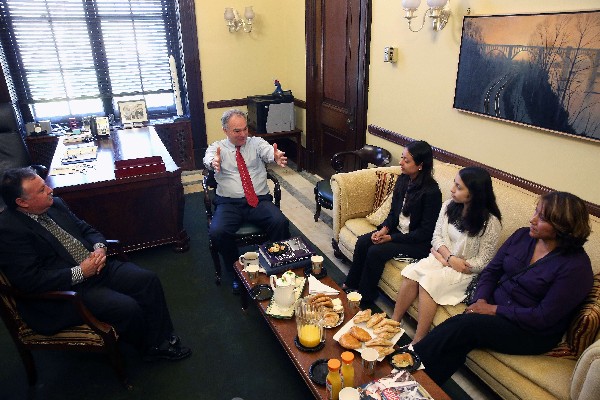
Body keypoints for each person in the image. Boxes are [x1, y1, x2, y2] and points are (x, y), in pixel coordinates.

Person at [0, 167, 191, 362]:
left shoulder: (54, 204)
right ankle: (148, 348)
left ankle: (161, 337)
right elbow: (30, 280)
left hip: (97, 266)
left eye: (45, 185)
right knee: (127, 308)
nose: (50, 190)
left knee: (147, 280)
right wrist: (81, 272)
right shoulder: (9, 230)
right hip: (68, 290)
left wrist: (100, 248)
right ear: (22, 202)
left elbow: (87, 229)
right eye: (41, 190)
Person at [412, 191, 594, 385]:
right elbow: (491, 272)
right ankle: (420, 386)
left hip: (529, 331)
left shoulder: (576, 268)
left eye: (541, 217)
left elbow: (543, 317)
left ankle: (406, 365)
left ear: (562, 226)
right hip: (493, 308)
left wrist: (493, 309)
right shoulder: (522, 236)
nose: (532, 219)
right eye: (536, 211)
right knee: (459, 338)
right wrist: (481, 300)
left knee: (464, 326)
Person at [392, 167, 502, 343]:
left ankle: (419, 340)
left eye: (459, 187)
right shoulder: (448, 206)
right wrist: (448, 259)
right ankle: (393, 323)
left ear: (474, 193)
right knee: (412, 272)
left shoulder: (490, 223)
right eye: (454, 183)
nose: (452, 189)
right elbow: (436, 237)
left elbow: (484, 262)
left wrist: (450, 261)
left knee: (428, 282)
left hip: (466, 272)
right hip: (444, 259)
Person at [343, 140, 442, 304]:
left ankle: (365, 296)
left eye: (406, 160)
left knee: (376, 252)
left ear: (420, 165)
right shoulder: (404, 179)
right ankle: (350, 283)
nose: (401, 163)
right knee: (363, 242)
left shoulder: (432, 192)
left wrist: (391, 238)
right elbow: (393, 213)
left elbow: (425, 232)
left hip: (417, 243)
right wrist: (384, 230)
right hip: (397, 232)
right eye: (402, 158)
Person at [203, 109, 290, 293]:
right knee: (217, 232)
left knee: (280, 222)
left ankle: (275, 265)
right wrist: (214, 163)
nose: (243, 134)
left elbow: (268, 152)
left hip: (258, 200)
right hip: (229, 204)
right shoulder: (217, 147)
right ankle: (235, 271)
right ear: (225, 130)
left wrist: (275, 156)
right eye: (237, 131)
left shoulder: (256, 143)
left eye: (245, 129)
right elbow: (209, 158)